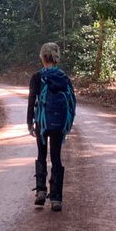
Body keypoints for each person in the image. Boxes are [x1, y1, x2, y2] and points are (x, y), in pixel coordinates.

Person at [26, 42, 76, 212]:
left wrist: (29, 122)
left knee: (41, 154)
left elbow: (31, 100)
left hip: (42, 122)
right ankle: (56, 199)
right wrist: (67, 123)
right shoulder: (64, 78)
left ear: (42, 57)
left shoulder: (37, 77)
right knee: (56, 157)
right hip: (58, 123)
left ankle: (41, 191)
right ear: (56, 58)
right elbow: (72, 102)